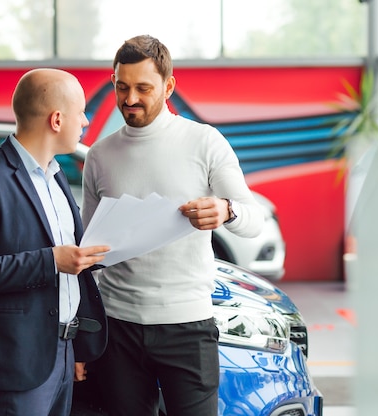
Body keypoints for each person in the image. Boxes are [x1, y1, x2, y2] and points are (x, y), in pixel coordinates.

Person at [81, 35, 265, 416]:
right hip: (118, 329)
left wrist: (227, 210)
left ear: (168, 86)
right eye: (121, 86)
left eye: (143, 88)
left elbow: (254, 220)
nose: (130, 98)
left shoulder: (204, 142)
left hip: (187, 327)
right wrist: (84, 334)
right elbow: (90, 254)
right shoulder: (99, 155)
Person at [0, 68, 110, 416]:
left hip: (64, 356)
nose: (85, 121)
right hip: (17, 364)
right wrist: (52, 260)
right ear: (56, 119)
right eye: (81, 112)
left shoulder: (56, 175)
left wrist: (75, 348)